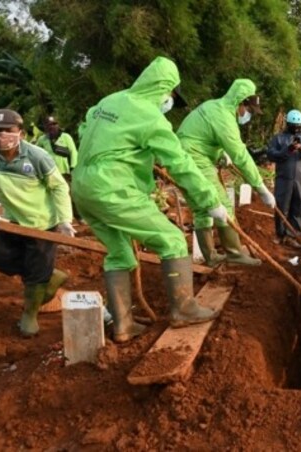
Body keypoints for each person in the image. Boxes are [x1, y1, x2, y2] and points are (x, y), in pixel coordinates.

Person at [72, 56, 225, 343]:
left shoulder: (109, 101)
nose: (169, 103)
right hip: (111, 189)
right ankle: (183, 309)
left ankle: (124, 326)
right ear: (164, 89)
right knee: (173, 240)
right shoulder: (150, 116)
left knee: (119, 254)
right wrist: (210, 199)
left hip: (82, 187)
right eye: (170, 96)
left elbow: (85, 130)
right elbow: (180, 163)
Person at [0, 109, 74, 337]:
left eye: (7, 130)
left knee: (35, 275)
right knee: (0, 260)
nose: (0, 135)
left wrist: (64, 220)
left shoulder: (37, 156)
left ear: (21, 133)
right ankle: (49, 277)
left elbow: (59, 186)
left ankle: (29, 317)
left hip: (41, 223)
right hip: (11, 220)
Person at [177, 79, 275, 267]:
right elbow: (241, 156)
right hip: (194, 158)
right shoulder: (224, 117)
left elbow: (202, 136)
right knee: (222, 204)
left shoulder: (214, 106)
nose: (247, 115)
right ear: (241, 102)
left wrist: (220, 154)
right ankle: (234, 254)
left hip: (184, 155)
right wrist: (261, 187)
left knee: (201, 208)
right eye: (248, 110)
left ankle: (211, 257)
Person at [266, 109, 301, 248]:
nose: (296, 129)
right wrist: (287, 150)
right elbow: (271, 154)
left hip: (300, 179)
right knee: (281, 205)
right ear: (287, 124)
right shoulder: (279, 138)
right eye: (293, 126)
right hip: (283, 178)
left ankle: (293, 234)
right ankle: (280, 234)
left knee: (299, 205)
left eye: (299, 126)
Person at [36, 115, 80, 220]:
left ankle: (77, 216)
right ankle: (56, 217)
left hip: (64, 171)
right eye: (49, 125)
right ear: (45, 127)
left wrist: (73, 167)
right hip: (49, 172)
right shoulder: (42, 139)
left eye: (54, 124)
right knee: (50, 194)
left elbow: (73, 152)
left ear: (58, 125)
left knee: (69, 193)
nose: (52, 127)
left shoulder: (65, 137)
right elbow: (35, 152)